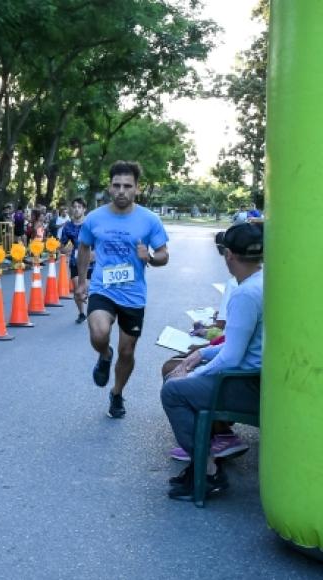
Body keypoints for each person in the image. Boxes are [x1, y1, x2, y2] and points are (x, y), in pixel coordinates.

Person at [160, 222, 263, 501]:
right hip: (255, 378)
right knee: (181, 376)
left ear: (229, 254)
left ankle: (207, 472)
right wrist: (200, 355)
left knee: (173, 390)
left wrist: (192, 375)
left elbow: (232, 356)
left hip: (246, 385)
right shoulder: (263, 283)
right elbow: (239, 343)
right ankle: (203, 465)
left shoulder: (246, 293)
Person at [75, 160, 169, 419]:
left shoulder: (149, 220)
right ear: (109, 187)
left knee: (128, 351)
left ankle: (116, 393)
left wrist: (148, 257)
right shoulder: (94, 218)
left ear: (137, 189)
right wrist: (82, 281)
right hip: (103, 288)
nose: (121, 191)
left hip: (133, 294)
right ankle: (105, 355)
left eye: (127, 186)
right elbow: (84, 247)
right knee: (99, 332)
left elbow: (164, 255)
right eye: (116, 185)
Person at [59, 197, 93, 323]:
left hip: (90, 261)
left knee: (86, 287)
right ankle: (81, 313)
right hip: (75, 261)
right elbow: (62, 246)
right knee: (77, 291)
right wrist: (65, 250)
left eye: (79, 207)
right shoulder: (68, 226)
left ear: (84, 209)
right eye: (75, 207)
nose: (76, 209)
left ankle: (93, 306)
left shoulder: (90, 224)